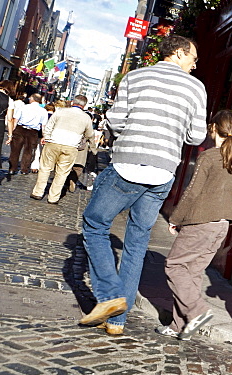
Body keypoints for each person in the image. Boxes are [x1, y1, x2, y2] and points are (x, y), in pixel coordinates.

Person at [78, 35, 206, 336]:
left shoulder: (135, 77)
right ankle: (117, 321)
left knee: (95, 224)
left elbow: (117, 121)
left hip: (127, 166)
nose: (195, 64)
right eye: (193, 58)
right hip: (162, 173)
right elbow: (196, 137)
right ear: (177, 52)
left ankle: (111, 300)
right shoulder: (196, 88)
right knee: (136, 243)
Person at [156, 110, 232, 340]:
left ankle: (198, 310)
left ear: (213, 128)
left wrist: (175, 218)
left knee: (174, 266)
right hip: (222, 226)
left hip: (201, 221)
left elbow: (192, 192)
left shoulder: (208, 156)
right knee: (192, 272)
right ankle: (180, 325)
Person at [31, 94, 94, 204]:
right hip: (71, 146)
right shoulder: (86, 117)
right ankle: (53, 197)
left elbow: (50, 125)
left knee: (45, 168)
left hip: (53, 142)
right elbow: (89, 134)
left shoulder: (61, 111)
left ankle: (38, 192)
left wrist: (46, 137)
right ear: (83, 106)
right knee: (62, 173)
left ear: (72, 102)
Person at [9, 93, 47, 175]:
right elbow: (43, 126)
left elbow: (15, 120)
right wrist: (44, 136)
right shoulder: (43, 111)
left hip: (20, 129)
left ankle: (12, 168)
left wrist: (11, 132)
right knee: (28, 151)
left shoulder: (23, 107)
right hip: (33, 132)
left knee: (15, 150)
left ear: (33, 99)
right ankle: (24, 169)